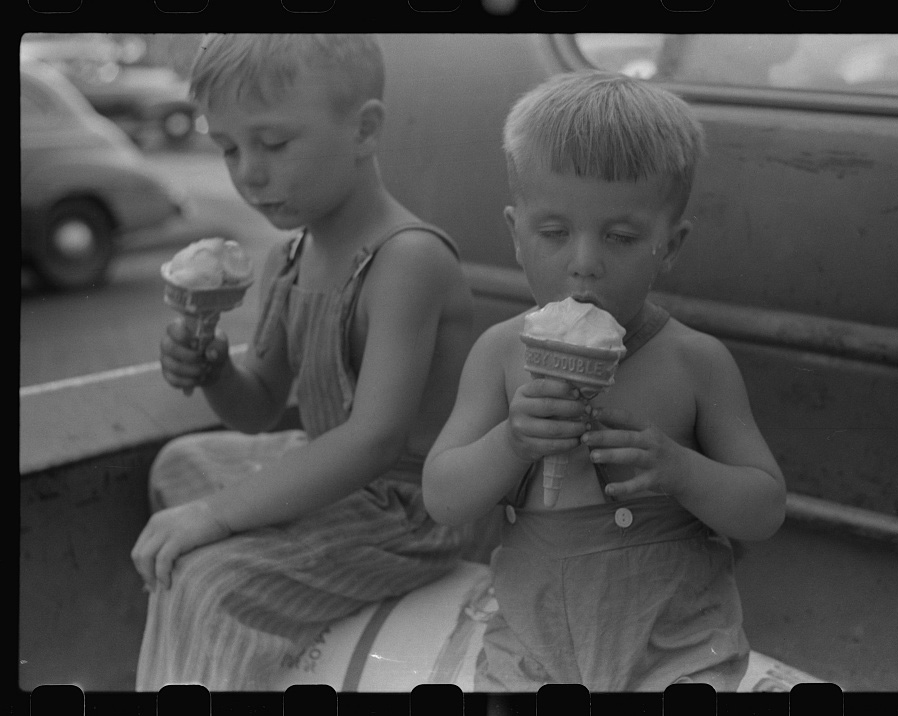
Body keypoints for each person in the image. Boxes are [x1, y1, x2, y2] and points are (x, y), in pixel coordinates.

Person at [422, 70, 787, 692]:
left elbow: (765, 507)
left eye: (620, 237)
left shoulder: (696, 362)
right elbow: (443, 496)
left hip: (677, 650)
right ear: (515, 234)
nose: (584, 261)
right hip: (533, 650)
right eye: (554, 233)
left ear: (669, 246)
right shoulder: (501, 355)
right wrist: (510, 443)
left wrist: (682, 470)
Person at [131, 34, 475, 691]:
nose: (248, 173)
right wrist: (214, 372)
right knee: (180, 464)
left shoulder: (408, 261)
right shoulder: (287, 261)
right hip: (336, 477)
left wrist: (219, 515)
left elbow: (373, 442)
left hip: (407, 513)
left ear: (364, 129)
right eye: (229, 148)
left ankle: (221, 652)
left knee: (209, 579)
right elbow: (259, 406)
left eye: (274, 143)